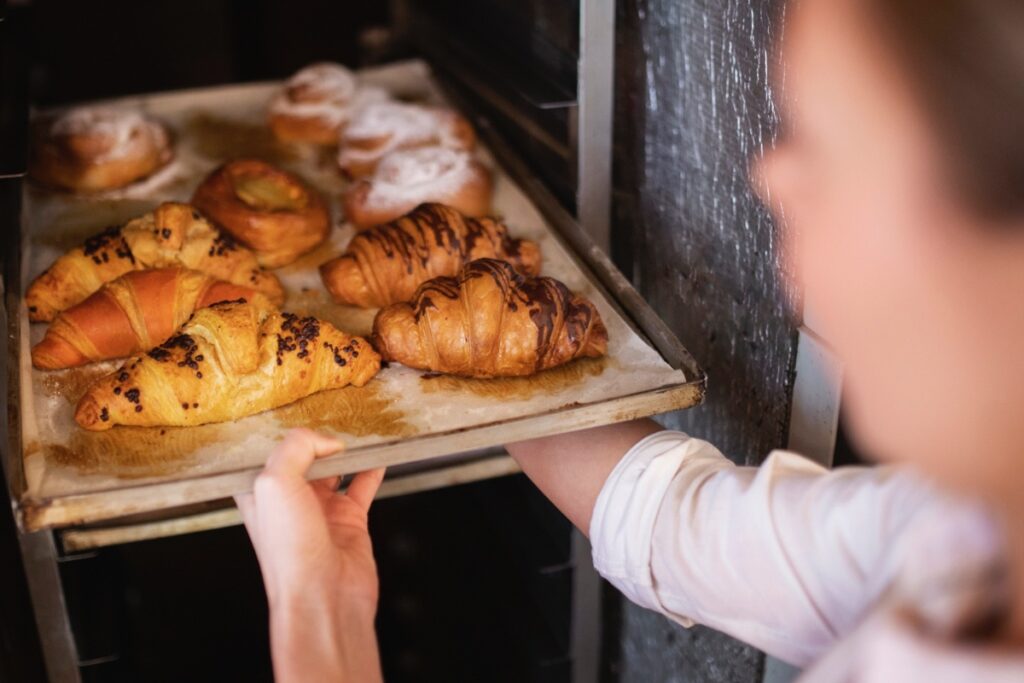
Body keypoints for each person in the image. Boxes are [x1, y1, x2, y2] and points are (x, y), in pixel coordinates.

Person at [236, 0, 1024, 679]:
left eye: (826, 141)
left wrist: (312, 621)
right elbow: (674, 520)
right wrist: (328, 606)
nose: (769, 181)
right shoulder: (945, 541)